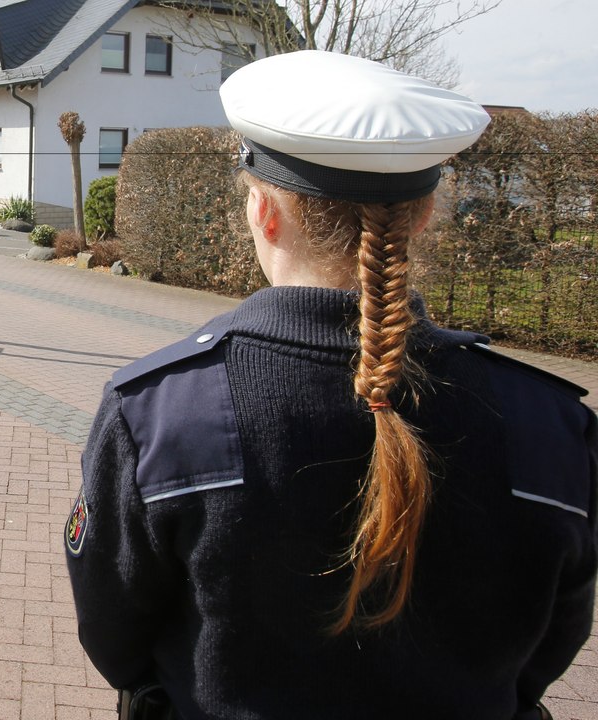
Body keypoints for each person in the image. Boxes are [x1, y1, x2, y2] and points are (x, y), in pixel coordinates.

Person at [65, 50, 597, 720]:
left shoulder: (161, 414)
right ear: (425, 215)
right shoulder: (549, 422)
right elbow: (550, 644)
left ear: (264, 213)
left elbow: (115, 637)